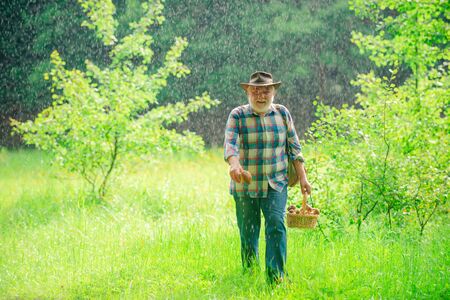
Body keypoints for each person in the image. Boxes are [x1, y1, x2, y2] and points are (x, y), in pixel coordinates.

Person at [223, 71, 312, 285]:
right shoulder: (238, 115)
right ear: (248, 92)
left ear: (274, 92)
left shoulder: (282, 114)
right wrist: (235, 166)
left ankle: (276, 277)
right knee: (248, 230)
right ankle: (251, 272)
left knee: (276, 224)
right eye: (256, 91)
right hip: (245, 185)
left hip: (276, 183)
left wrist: (303, 178)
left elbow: (294, 148)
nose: (261, 96)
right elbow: (230, 145)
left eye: (266, 91)